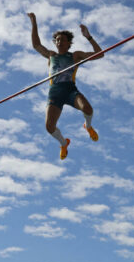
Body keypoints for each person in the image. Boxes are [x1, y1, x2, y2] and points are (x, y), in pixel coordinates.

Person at [29, 12, 103, 159]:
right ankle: (64, 143)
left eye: (62, 40)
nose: (59, 42)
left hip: (70, 90)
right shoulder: (51, 55)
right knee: (49, 127)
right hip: (55, 93)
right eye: (56, 40)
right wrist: (34, 22)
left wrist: (89, 37)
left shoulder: (75, 55)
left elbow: (100, 54)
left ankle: (88, 127)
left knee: (88, 109)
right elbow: (36, 45)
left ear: (69, 43)